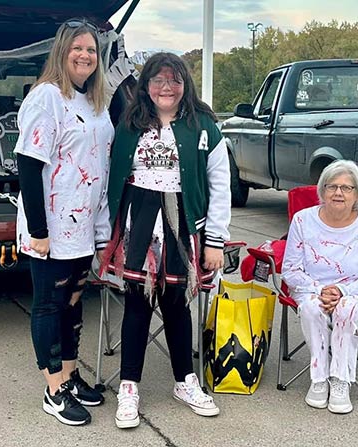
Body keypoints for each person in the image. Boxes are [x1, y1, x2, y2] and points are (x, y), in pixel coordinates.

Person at [101, 52, 230, 429]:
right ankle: (129, 386)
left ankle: (184, 381)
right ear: (146, 85)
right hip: (139, 220)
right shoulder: (129, 124)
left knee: (176, 303)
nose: (166, 87)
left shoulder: (204, 126)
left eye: (174, 80)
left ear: (185, 84)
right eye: (158, 79)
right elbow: (110, 180)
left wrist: (215, 241)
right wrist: (102, 234)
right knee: (137, 303)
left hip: (183, 223)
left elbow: (220, 185)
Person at [15, 19, 114, 426]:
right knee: (49, 306)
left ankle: (71, 377)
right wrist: (38, 231)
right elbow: (28, 164)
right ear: (61, 52)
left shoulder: (95, 101)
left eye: (91, 50)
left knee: (73, 304)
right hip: (52, 228)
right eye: (77, 48)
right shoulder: (46, 97)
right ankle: (54, 389)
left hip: (83, 227)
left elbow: (100, 165)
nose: (85, 55)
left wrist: (102, 230)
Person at [280, 159, 358, 414]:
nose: (339, 193)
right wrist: (320, 290)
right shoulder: (303, 220)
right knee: (312, 308)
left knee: (346, 309)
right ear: (322, 191)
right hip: (311, 288)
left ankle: (340, 380)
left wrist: (342, 292)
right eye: (332, 186)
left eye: (347, 188)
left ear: (357, 194)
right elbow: (290, 270)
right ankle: (319, 378)